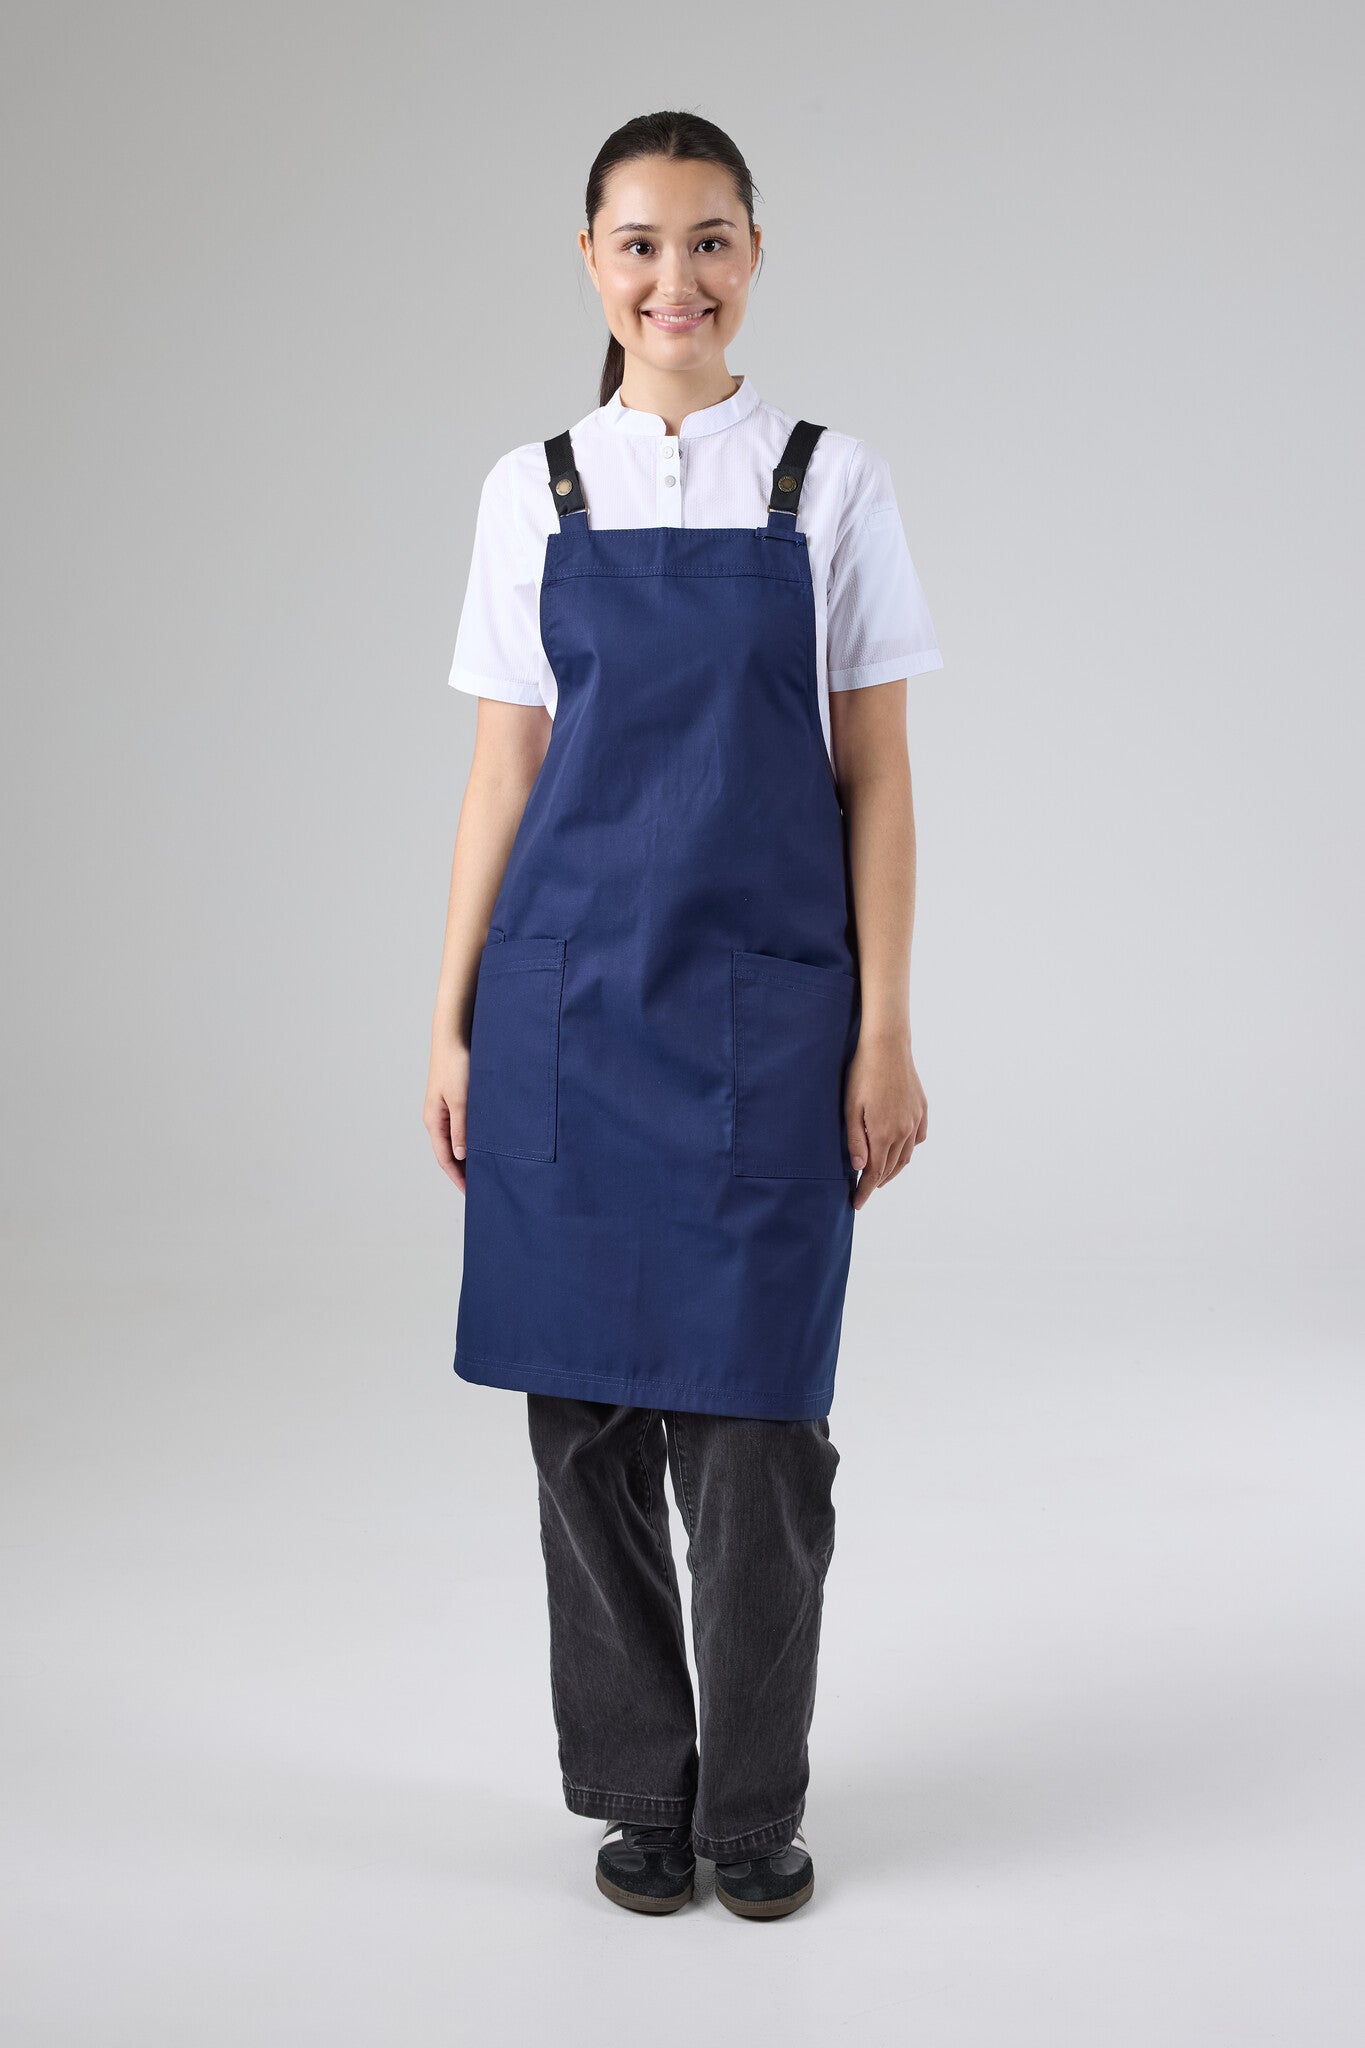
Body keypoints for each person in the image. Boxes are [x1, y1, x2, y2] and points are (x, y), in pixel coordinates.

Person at [424, 110, 943, 1919]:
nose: (674, 279)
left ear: (753, 254)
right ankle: (641, 1788)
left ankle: (752, 1805)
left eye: (708, 240)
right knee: (580, 1426)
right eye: (638, 244)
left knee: (756, 1436)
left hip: (761, 1018)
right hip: (564, 1010)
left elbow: (875, 775)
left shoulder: (827, 482)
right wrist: (450, 1022)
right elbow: (504, 774)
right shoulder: (531, 489)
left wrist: (884, 1029)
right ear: (590, 261)